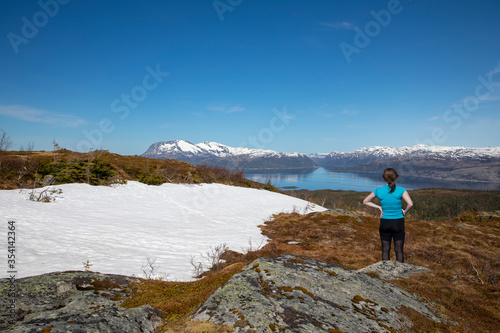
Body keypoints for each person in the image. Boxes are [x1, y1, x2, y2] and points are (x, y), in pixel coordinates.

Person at [363, 168, 413, 263]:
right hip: (398, 222)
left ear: (384, 178)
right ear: (396, 177)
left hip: (385, 223)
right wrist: (405, 212)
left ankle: (385, 271)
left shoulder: (378, 191)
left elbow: (365, 201)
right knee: (399, 250)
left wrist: (379, 207)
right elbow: (410, 204)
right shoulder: (401, 190)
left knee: (385, 249)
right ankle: (400, 273)